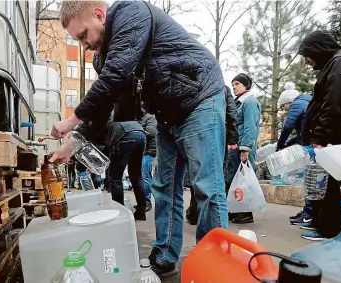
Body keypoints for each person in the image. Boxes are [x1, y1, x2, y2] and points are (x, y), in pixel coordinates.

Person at [51, 1, 228, 276]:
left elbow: (118, 70)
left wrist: (72, 118)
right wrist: (71, 145)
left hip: (199, 98)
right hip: (168, 113)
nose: (85, 45)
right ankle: (165, 256)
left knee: (207, 187)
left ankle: (214, 265)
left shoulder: (130, 13)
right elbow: (103, 108)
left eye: (84, 35)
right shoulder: (102, 57)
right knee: (164, 187)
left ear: (99, 15)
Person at [298, 30, 341, 241]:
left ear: (317, 49)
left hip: (330, 136)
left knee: (327, 184)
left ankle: (329, 229)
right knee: (322, 182)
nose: (306, 61)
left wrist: (321, 136)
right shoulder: (335, 62)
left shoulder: (340, 61)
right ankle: (322, 223)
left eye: (307, 55)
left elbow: (333, 103)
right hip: (327, 134)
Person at [186, 85, 238, 225]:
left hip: (194, 131)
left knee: (196, 174)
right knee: (215, 177)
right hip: (217, 134)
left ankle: (194, 212)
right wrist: (232, 136)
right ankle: (215, 222)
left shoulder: (196, 84)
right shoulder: (223, 88)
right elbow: (232, 113)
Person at [276, 82, 313, 225]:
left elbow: (287, 127)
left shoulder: (296, 104)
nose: (285, 109)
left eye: (284, 106)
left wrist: (280, 146)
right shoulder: (307, 102)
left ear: (288, 102)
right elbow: (301, 133)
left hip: (311, 146)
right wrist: (288, 144)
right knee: (313, 181)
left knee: (311, 181)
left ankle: (308, 213)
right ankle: (308, 211)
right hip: (312, 142)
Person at [226, 73, 261, 224]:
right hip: (236, 147)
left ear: (246, 85)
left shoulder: (249, 102)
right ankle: (236, 211)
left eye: (237, 84)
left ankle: (245, 214)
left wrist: (245, 148)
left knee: (244, 180)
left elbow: (250, 126)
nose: (234, 87)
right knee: (235, 179)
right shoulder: (238, 103)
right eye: (233, 85)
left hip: (243, 147)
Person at [139, 108, 157, 212]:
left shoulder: (150, 117)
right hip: (140, 151)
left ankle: (147, 201)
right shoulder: (139, 118)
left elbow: (150, 132)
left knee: (145, 177)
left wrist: (137, 132)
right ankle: (142, 201)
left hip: (148, 151)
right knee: (141, 177)